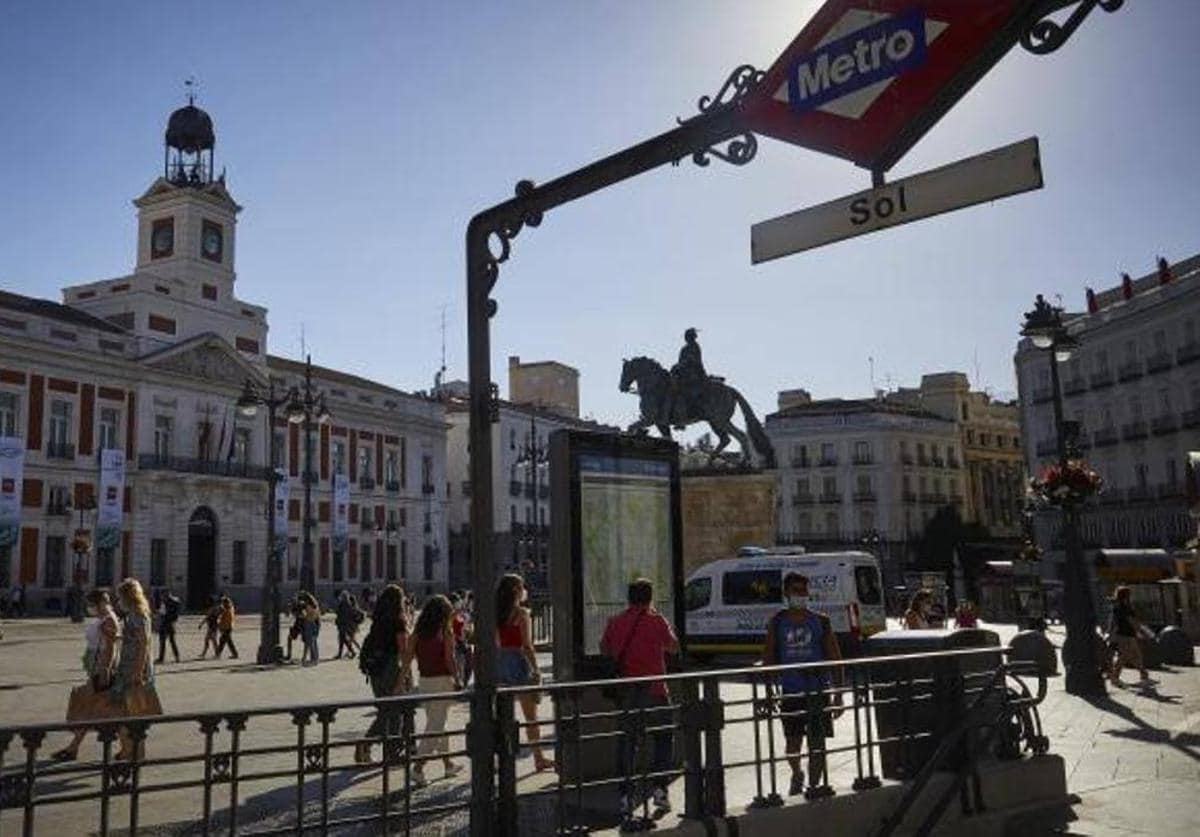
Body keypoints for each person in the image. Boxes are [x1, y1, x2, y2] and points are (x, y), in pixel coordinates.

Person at [600, 578, 680, 822]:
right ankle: (660, 789)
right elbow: (674, 647)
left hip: (628, 694)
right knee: (663, 738)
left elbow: (605, 648)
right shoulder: (656, 621)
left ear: (629, 598)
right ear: (650, 598)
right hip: (656, 691)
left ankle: (625, 795)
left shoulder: (615, 622)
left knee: (627, 743)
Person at [763, 572, 843, 798]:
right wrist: (769, 691)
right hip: (791, 692)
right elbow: (768, 657)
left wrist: (838, 693)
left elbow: (836, 658)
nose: (801, 595)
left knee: (817, 744)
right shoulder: (777, 622)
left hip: (817, 690)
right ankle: (797, 772)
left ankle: (814, 785)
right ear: (786, 594)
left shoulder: (821, 621)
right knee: (792, 745)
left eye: (804, 591)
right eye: (796, 591)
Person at [51, 589, 121, 761]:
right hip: (98, 669)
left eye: (91, 604)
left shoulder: (108, 620)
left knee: (92, 708)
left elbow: (111, 648)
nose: (89, 608)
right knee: (96, 709)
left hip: (101, 670)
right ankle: (74, 747)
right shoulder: (104, 619)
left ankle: (74, 748)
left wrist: (105, 669)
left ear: (99, 604)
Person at [495, 574, 554, 771]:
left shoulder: (494, 614)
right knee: (530, 716)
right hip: (518, 663)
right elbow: (527, 645)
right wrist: (535, 669)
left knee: (502, 715)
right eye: (522, 587)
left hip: (499, 663)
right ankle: (538, 758)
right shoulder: (521, 614)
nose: (525, 590)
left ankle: (499, 760)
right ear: (517, 591)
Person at [357, 584, 413, 767]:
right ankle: (383, 749)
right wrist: (404, 677)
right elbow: (404, 651)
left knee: (385, 710)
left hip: (375, 671)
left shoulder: (378, 620)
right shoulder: (398, 621)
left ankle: (371, 746)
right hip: (390, 669)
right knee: (393, 712)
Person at [411, 594, 464, 785]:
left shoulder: (418, 631)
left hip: (425, 681)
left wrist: (401, 681)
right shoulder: (445, 631)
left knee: (438, 724)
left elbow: (408, 656)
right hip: (442, 681)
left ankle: (448, 764)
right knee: (435, 727)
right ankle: (418, 768)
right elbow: (449, 659)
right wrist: (457, 678)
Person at [111, 578, 164, 760]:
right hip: (130, 667)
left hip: (133, 669)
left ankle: (134, 751)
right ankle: (131, 750)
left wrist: (137, 671)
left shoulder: (138, 616)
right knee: (131, 712)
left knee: (128, 711)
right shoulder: (137, 614)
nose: (118, 601)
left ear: (127, 597)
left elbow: (143, 644)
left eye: (120, 597)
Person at [1108, 586, 1151, 687]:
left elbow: (1113, 621)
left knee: (1135, 655)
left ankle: (1144, 675)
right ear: (1126, 596)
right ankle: (1115, 678)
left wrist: (1110, 632)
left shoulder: (1117, 606)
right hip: (1126, 634)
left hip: (1124, 634)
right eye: (1129, 594)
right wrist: (1142, 632)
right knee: (1125, 657)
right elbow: (1132, 621)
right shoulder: (1124, 607)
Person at [669, 327, 707, 429]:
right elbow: (682, 361)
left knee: (679, 392)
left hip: (691, 375)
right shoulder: (686, 347)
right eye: (686, 336)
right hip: (683, 373)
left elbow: (692, 361)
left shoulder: (694, 347)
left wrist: (679, 366)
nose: (686, 338)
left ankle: (681, 418)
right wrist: (676, 367)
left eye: (688, 336)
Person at [155, 588, 182, 663]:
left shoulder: (168, 602)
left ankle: (162, 658)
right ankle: (176, 657)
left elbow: (163, 612)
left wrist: (160, 614)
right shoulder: (174, 601)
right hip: (170, 623)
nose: (161, 597)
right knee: (171, 641)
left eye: (162, 595)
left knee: (165, 641)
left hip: (166, 622)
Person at [335, 591, 360, 659]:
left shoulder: (344, 605)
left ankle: (351, 652)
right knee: (343, 640)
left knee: (343, 640)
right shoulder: (348, 604)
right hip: (345, 625)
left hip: (343, 625)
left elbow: (341, 614)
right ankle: (350, 652)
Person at [301, 592, 322, 665]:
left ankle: (314, 659)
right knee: (313, 642)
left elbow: (308, 616)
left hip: (310, 623)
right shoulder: (315, 605)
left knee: (310, 642)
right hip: (315, 623)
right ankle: (314, 658)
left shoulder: (309, 606)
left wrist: (304, 615)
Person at [285, 595, 306, 661]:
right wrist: (289, 610)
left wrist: (297, 614)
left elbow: (303, 615)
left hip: (303, 624)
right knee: (290, 638)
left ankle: (304, 656)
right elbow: (288, 614)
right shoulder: (295, 606)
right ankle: (289, 654)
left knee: (307, 641)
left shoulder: (302, 605)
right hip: (298, 624)